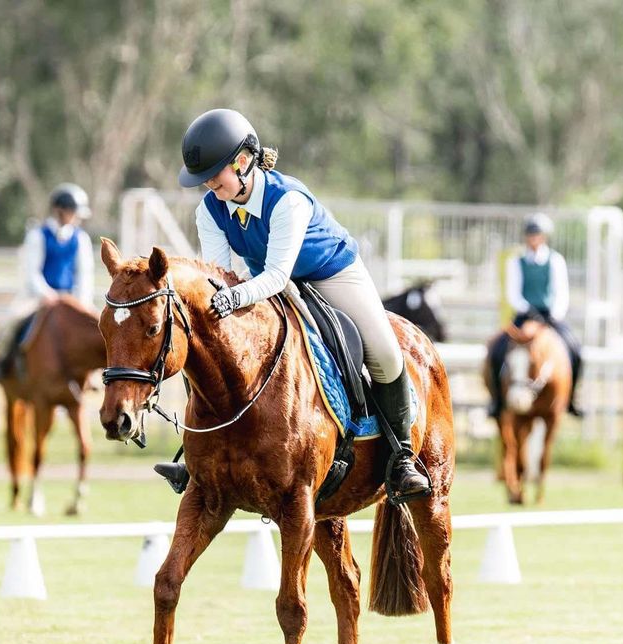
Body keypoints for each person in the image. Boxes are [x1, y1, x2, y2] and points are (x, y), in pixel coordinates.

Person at [166, 107, 430, 501]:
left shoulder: (288, 199)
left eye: (213, 174)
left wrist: (235, 295)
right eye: (202, 179)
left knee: (387, 355)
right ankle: (195, 451)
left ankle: (401, 457)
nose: (207, 185)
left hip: (330, 272)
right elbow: (218, 274)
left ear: (243, 161)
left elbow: (276, 274)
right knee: (212, 344)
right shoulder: (211, 208)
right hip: (268, 281)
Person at [0, 184, 94, 382]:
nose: (76, 218)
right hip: (38, 296)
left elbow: (84, 274)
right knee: (11, 321)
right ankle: (1, 364)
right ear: (59, 210)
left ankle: (91, 376)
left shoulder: (81, 239)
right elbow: (32, 272)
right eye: (73, 212)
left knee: (98, 325)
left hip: (70, 297)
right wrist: (49, 295)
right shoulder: (38, 235)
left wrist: (80, 301)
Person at [486, 213, 583, 418]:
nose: (533, 239)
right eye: (530, 235)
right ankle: (497, 401)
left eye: (536, 235)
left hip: (549, 316)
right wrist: (528, 310)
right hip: (524, 314)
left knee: (575, 349)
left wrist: (554, 313)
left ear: (544, 237)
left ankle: (571, 398)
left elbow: (561, 292)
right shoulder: (516, 261)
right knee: (498, 349)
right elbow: (513, 293)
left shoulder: (555, 261)